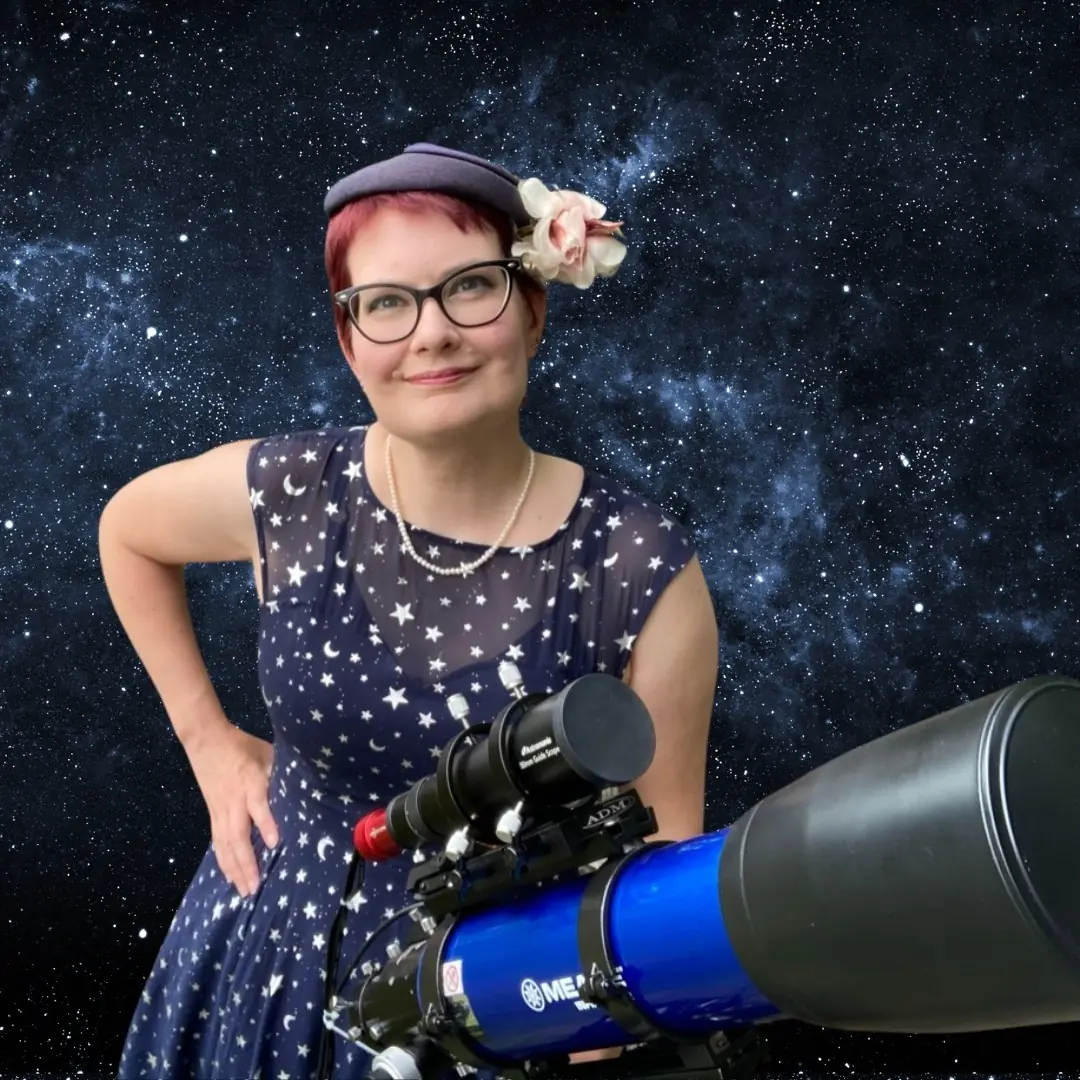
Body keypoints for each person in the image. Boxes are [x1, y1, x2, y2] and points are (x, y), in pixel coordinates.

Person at [99, 143, 720, 1080]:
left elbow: (655, 890)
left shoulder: (639, 571)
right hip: (263, 956)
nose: (430, 334)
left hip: (483, 1010)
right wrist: (206, 741)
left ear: (534, 307)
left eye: (470, 287)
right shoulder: (295, 491)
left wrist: (572, 1034)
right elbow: (128, 531)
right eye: (386, 304)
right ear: (350, 341)